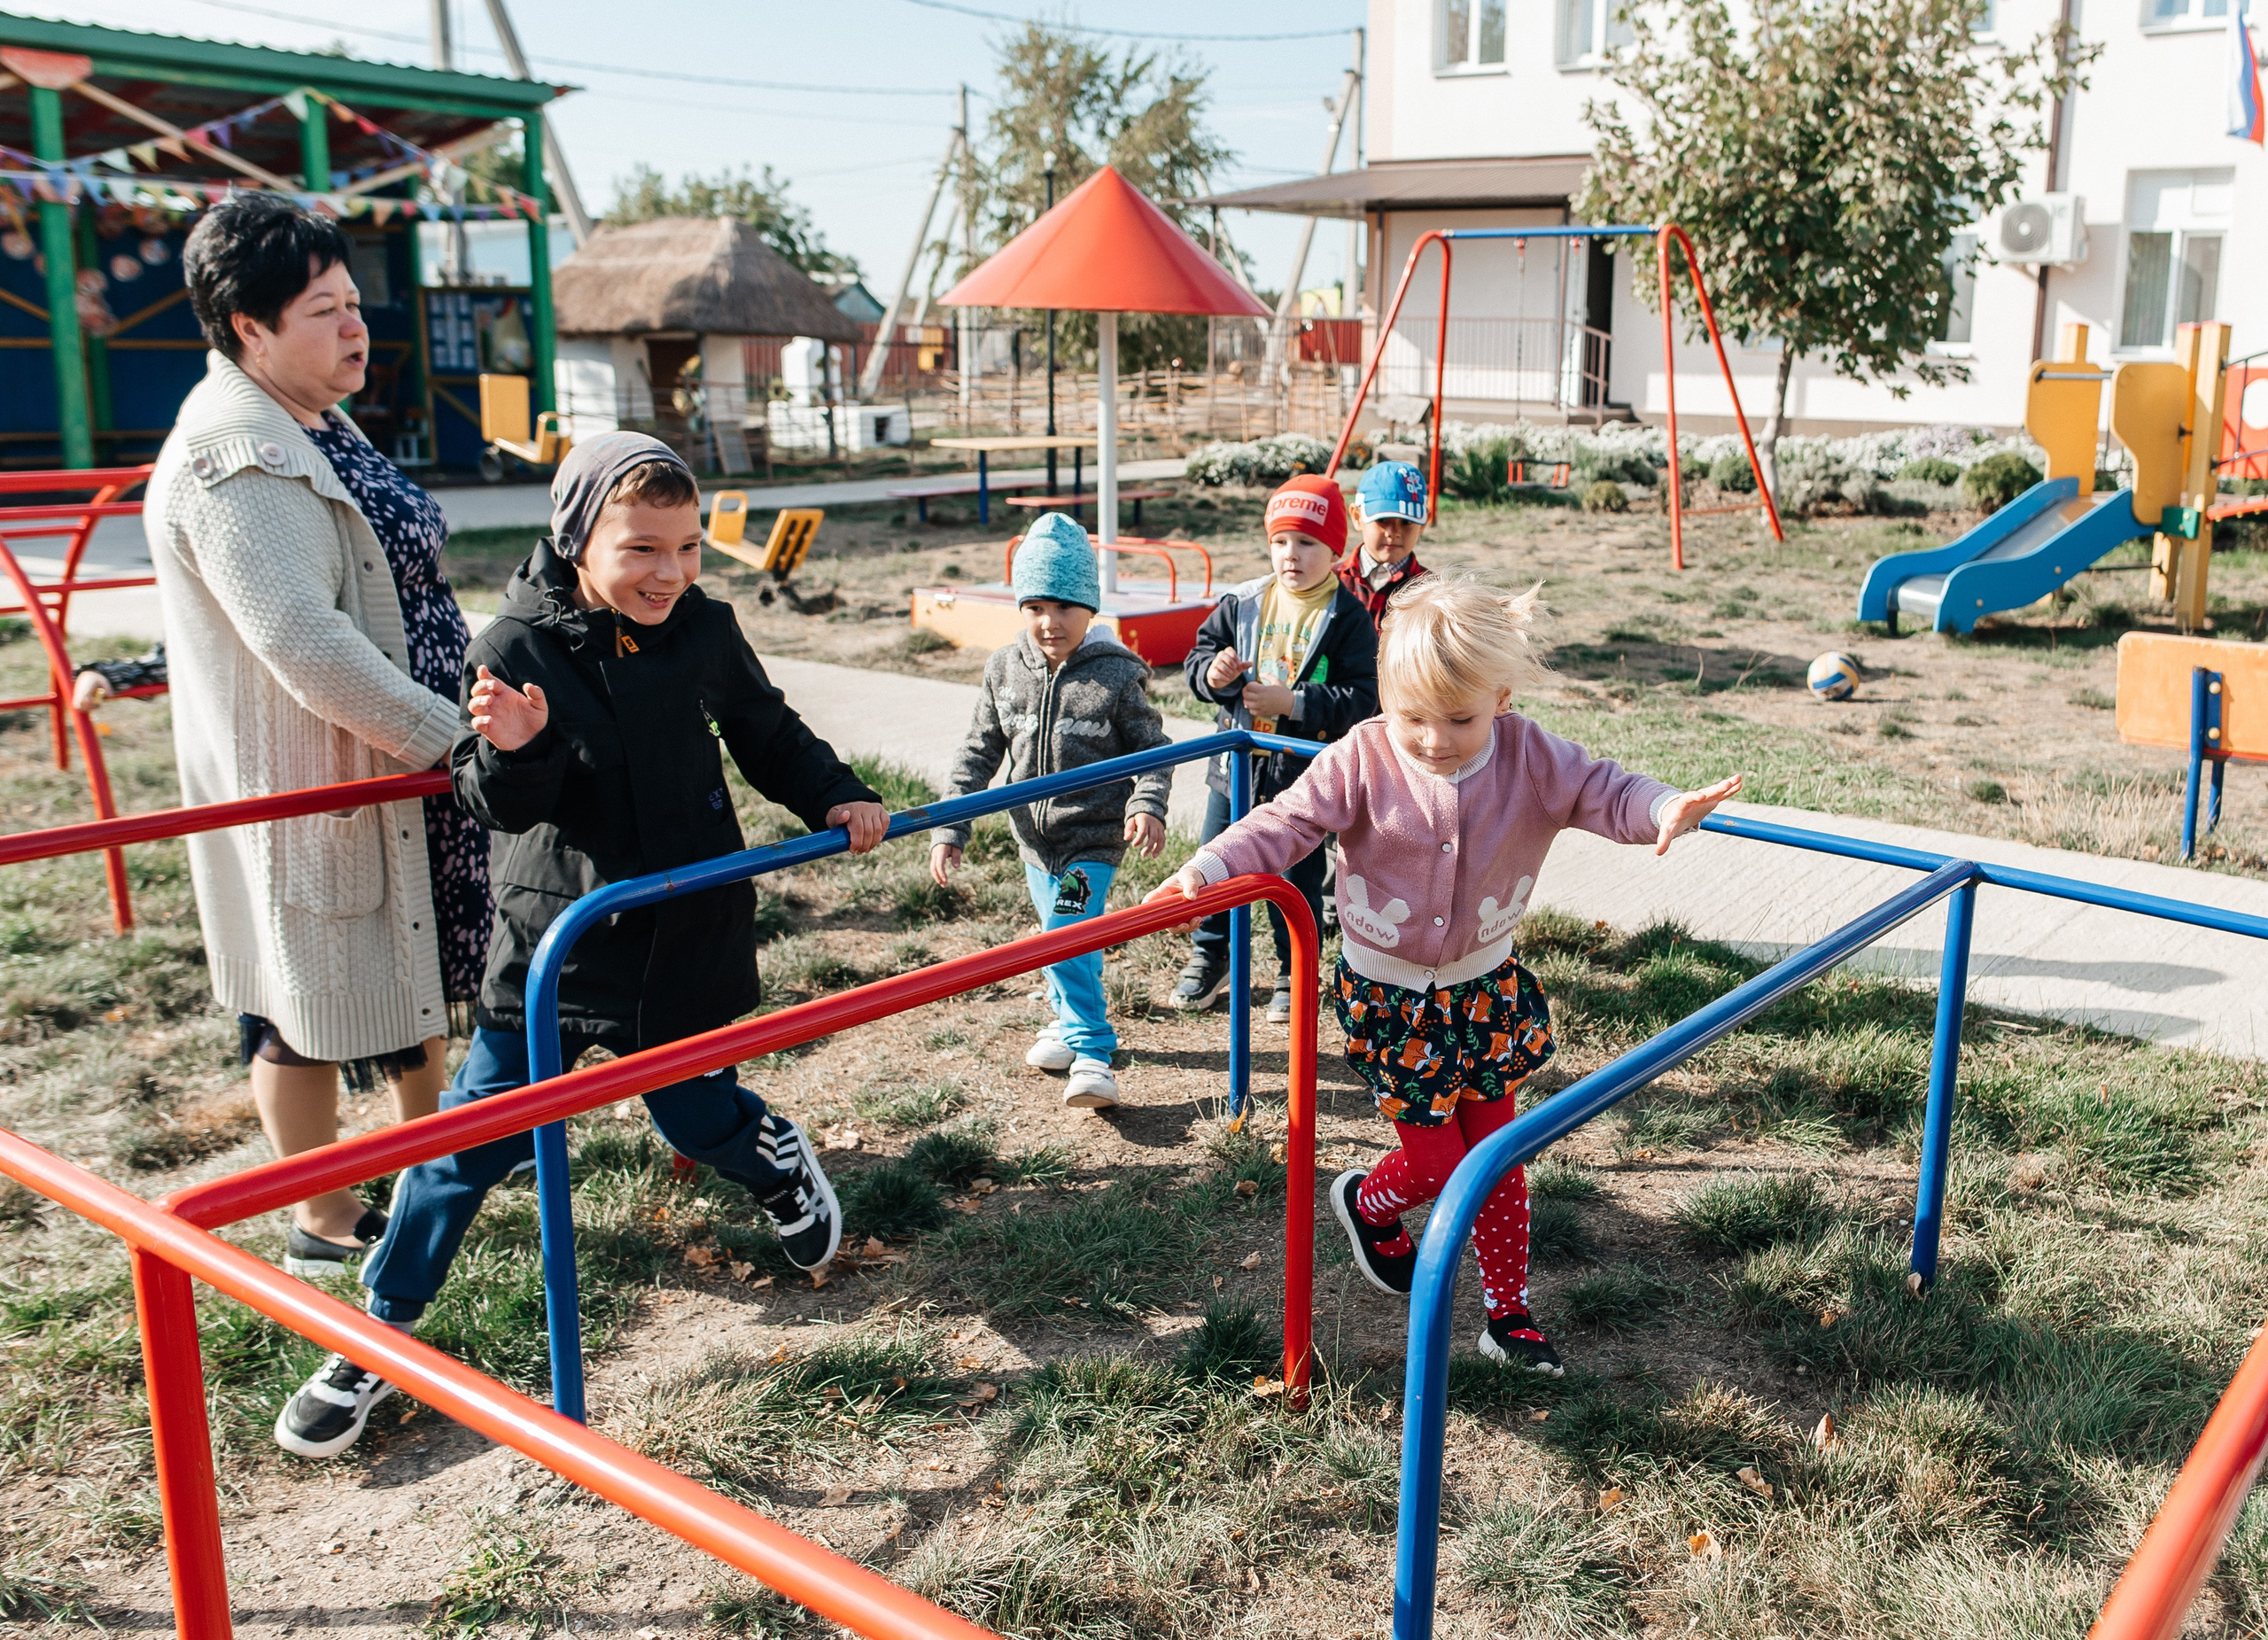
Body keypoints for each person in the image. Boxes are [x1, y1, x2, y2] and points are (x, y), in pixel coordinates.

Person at [275, 433, 889, 1458]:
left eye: (688, 547)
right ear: (576, 539)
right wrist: (518, 749)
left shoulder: (702, 625)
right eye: (642, 548)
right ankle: (373, 1336)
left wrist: (836, 792)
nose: (669, 572)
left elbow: (764, 729)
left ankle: (773, 1157)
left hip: (684, 922)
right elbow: (486, 796)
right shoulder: (515, 643)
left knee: (694, 1118)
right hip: (560, 942)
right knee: (463, 1145)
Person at [1153, 577, 1742, 1374]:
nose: (1431, 738)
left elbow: (1605, 789)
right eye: (1411, 717)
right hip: (1389, 995)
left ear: (1500, 698)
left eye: (1458, 719)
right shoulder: (1363, 755)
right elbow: (1287, 821)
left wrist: (1663, 808)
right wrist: (1212, 863)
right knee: (1435, 1163)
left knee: (1496, 1155)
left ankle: (1508, 1315)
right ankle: (1368, 1202)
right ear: (1386, 698)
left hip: (1481, 988)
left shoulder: (1530, 754)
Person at [147, 193, 490, 1280]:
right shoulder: (234, 456)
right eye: (325, 311)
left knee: (415, 970)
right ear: (248, 325)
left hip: (402, 768)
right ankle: (322, 1214)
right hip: (325, 772)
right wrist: (455, 740)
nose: (357, 330)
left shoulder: (312, 416)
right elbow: (308, 644)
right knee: (304, 996)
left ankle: (432, 1162)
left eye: (355, 305)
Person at [928, 515, 1173, 1110]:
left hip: (1092, 836)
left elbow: (1156, 748)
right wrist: (950, 825)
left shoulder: (1116, 674)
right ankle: (1066, 1022)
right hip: (1034, 840)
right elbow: (978, 749)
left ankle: (1093, 1049)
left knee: (1063, 935)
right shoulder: (1003, 669)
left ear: (1088, 606)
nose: (1049, 621)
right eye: (1034, 605)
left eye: (1064, 605)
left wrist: (1147, 802)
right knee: (1062, 940)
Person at [1171, 474, 1379, 1025]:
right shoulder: (1243, 602)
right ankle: (1209, 955)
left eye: (1308, 543)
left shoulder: (1349, 618)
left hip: (1301, 775)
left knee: (1299, 878)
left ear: (1336, 550)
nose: (1292, 554)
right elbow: (1200, 655)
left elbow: (1365, 698)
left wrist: (1298, 702)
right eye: (1281, 541)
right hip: (1233, 766)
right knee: (1214, 858)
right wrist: (1212, 675)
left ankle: (1294, 972)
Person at [1339, 461, 1432, 626]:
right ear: (1357, 517)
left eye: (1406, 522)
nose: (1393, 532)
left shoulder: (1432, 591)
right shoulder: (1331, 581)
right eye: (1382, 520)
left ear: (1423, 522)